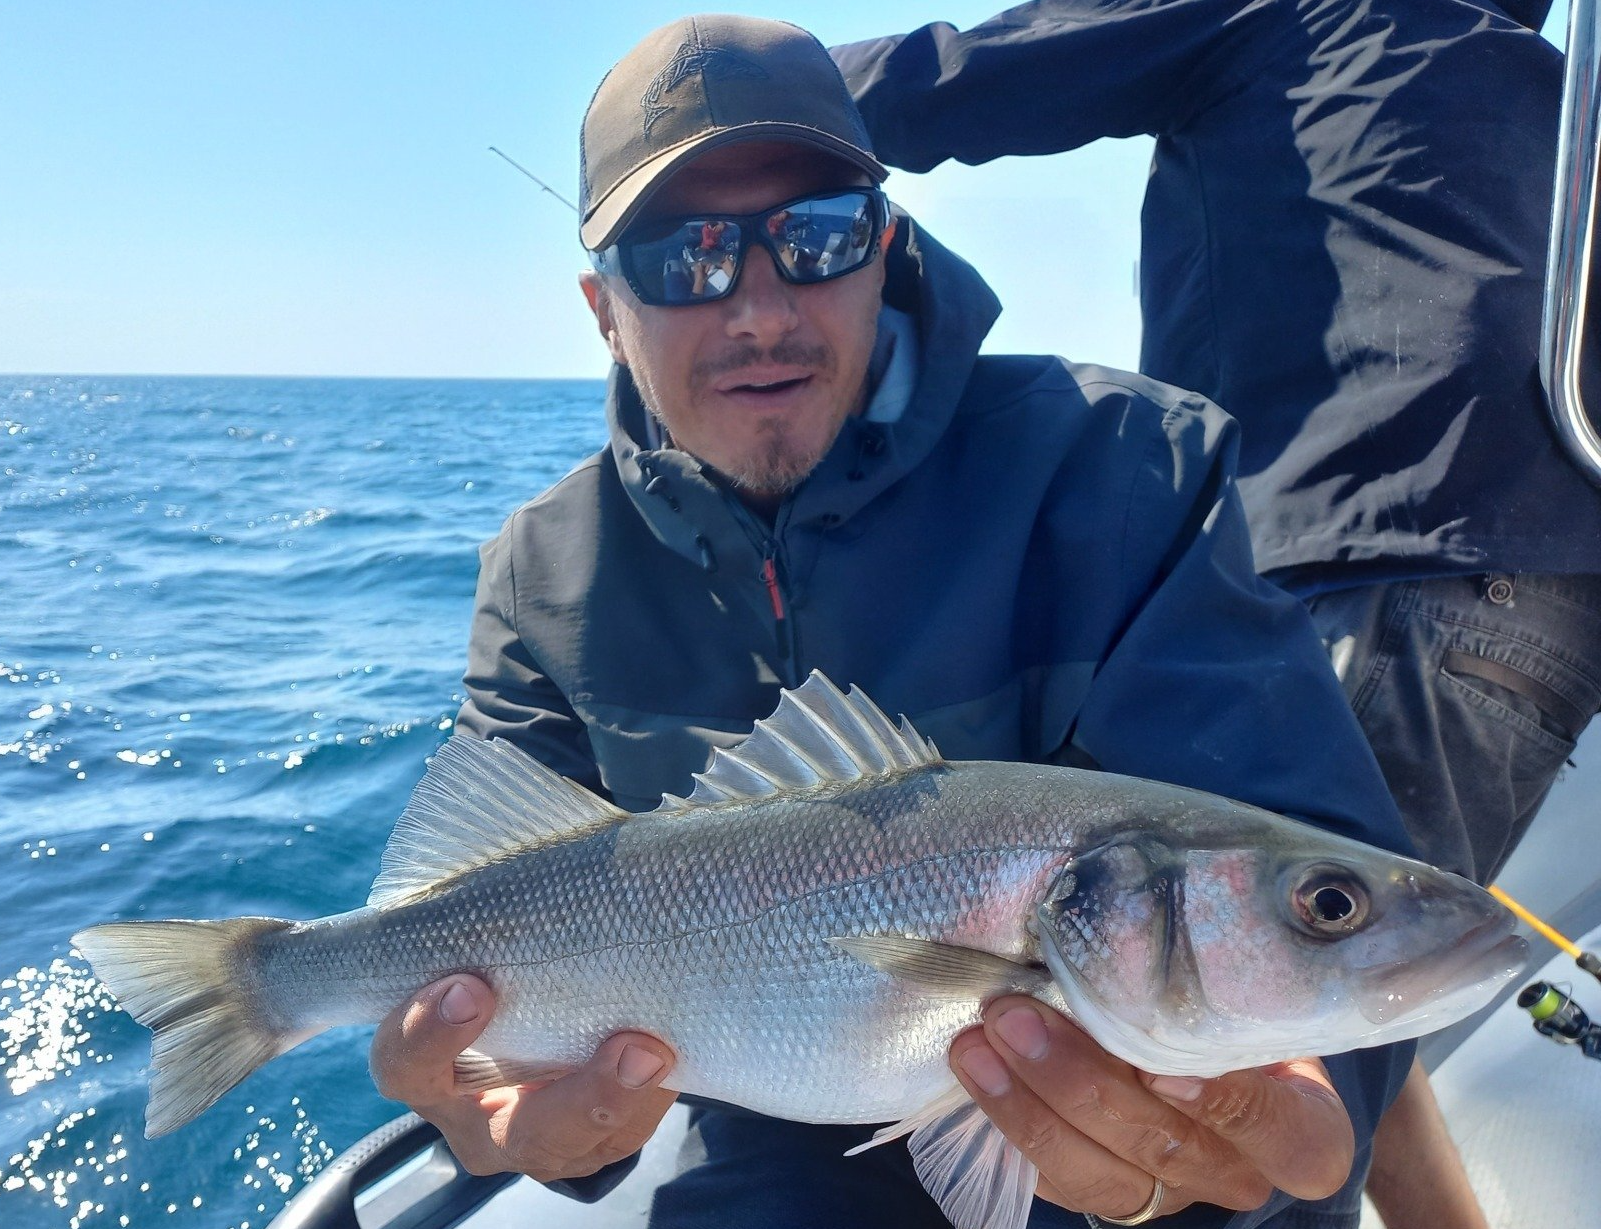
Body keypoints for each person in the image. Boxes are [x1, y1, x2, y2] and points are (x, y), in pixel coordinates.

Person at [367, 14, 1422, 1228]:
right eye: (683, 256)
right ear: (604, 307)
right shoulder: (539, 575)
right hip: (776, 1125)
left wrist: (1317, 1098)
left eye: (813, 237)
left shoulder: (1126, 464)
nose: (758, 307)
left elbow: (1299, 851)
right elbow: (488, 915)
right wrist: (527, 1123)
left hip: (1153, 1107)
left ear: (883, 246)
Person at [833, 5, 1601, 1224]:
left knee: (1259, 1070)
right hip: (1545, 585)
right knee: (1346, 986)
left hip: (1372, 548)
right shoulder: (1548, 83)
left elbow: (974, 75)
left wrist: (741, 116)